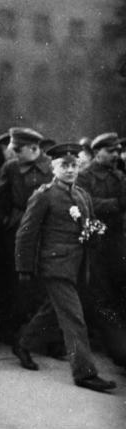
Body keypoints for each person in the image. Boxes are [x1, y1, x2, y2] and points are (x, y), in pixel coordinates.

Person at [13, 143, 117, 393]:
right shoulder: (44, 195)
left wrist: (94, 234)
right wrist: (24, 266)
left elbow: (88, 225)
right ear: (54, 167)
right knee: (74, 319)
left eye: (74, 165)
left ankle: (23, 343)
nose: (70, 170)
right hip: (55, 266)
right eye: (64, 166)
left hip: (78, 266)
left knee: (52, 311)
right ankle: (85, 373)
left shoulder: (82, 195)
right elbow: (26, 233)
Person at [0, 126, 53, 343]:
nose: (12, 153)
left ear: (33, 149)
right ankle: (11, 329)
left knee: (42, 283)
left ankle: (41, 335)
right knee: (14, 280)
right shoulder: (12, 168)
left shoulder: (52, 168)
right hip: (16, 231)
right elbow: (0, 200)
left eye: (17, 150)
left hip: (45, 231)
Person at [76, 132, 126, 367]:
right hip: (96, 240)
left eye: (117, 151)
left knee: (117, 291)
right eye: (111, 151)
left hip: (117, 240)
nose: (116, 155)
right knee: (101, 293)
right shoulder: (85, 176)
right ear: (97, 153)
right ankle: (116, 349)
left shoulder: (118, 175)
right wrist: (116, 205)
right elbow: (86, 203)